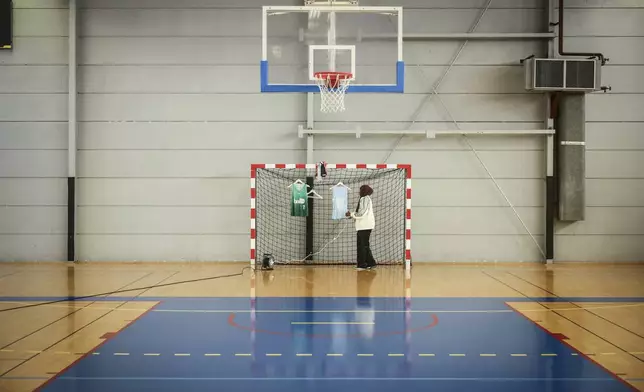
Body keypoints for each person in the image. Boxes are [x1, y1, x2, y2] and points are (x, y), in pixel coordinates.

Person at [346, 185, 376, 271]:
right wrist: (351, 214)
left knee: (362, 245)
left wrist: (351, 214)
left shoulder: (365, 199)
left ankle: (362, 265)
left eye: (360, 190)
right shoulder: (365, 199)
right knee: (365, 245)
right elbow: (361, 212)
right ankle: (370, 263)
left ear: (364, 191)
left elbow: (362, 213)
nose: (359, 192)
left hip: (364, 226)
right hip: (365, 225)